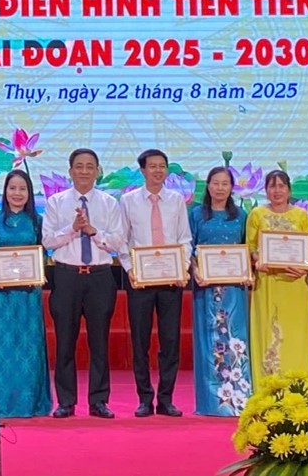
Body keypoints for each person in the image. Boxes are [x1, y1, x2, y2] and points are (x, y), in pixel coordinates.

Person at [42, 147, 124, 419]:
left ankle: (99, 401)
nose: (84, 171)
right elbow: (48, 240)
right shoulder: (55, 202)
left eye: (90, 166)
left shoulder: (109, 203)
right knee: (65, 341)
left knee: (99, 342)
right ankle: (66, 401)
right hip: (66, 276)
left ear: (98, 171)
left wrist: (92, 231)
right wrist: (73, 228)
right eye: (79, 166)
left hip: (100, 276)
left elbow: (117, 242)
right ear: (70, 171)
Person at [118, 149, 191, 417]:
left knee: (170, 340)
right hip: (140, 281)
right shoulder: (128, 201)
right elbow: (122, 239)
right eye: (153, 166)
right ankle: (145, 399)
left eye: (162, 166)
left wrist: (182, 267)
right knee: (140, 341)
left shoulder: (176, 200)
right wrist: (130, 269)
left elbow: (184, 238)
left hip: (171, 280)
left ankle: (166, 398)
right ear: (143, 170)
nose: (158, 171)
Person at [0, 169, 52, 417]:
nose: (17, 193)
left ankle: (29, 403)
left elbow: (44, 254)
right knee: (1, 349)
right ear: (5, 191)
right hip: (1, 297)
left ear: (30, 193)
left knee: (28, 348)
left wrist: (36, 271)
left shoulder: (38, 222)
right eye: (12, 188)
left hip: (29, 295)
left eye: (23, 189)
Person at [188, 166, 252, 417]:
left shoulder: (241, 215)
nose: (220, 188)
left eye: (225, 183)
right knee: (210, 342)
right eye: (215, 183)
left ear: (231, 187)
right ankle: (211, 402)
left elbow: (247, 248)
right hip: (205, 288)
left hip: (234, 290)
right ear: (208, 186)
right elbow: (188, 248)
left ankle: (238, 400)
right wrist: (195, 270)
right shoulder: (196, 214)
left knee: (235, 340)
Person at [245, 169, 308, 384]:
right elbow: (250, 247)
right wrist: (258, 258)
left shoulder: (301, 216)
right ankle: (267, 386)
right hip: (267, 283)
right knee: (268, 332)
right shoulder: (257, 214)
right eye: (272, 186)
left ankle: (297, 385)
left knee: (294, 334)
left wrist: (305, 268)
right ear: (265, 190)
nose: (277, 191)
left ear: (289, 190)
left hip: (294, 283)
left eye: (281, 186)